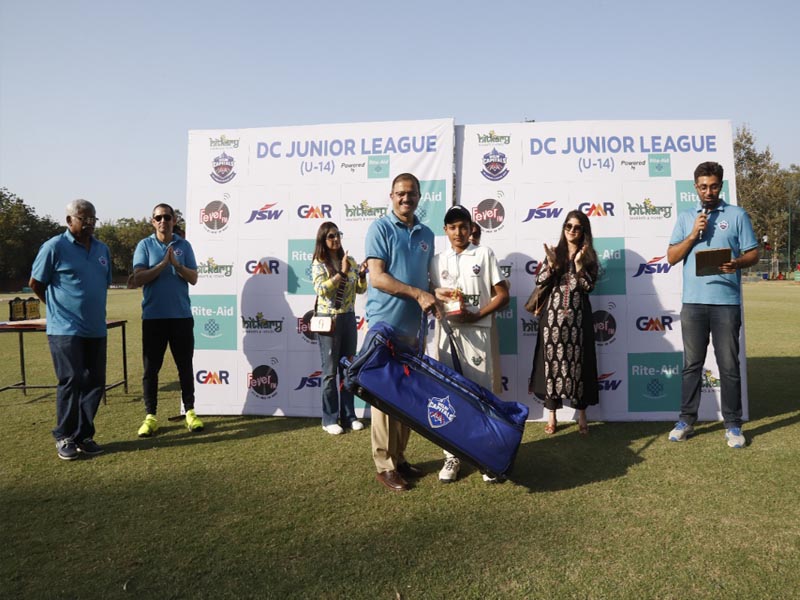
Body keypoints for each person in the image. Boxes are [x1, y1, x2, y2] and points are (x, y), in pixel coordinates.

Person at [667, 161, 759, 448]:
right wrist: (693, 235)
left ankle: (732, 424)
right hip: (693, 304)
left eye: (714, 186)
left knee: (729, 365)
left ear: (721, 186)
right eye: (703, 186)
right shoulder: (686, 218)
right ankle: (686, 420)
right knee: (691, 366)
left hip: (726, 304)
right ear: (695, 187)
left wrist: (737, 262)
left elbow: (753, 253)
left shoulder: (736, 215)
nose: (708, 191)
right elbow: (671, 257)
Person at [364, 173, 440, 492]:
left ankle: (400, 457)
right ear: (391, 196)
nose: (406, 198)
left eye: (411, 193)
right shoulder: (380, 228)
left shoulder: (427, 233)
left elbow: (427, 279)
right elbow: (377, 278)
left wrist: (439, 294)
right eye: (400, 193)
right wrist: (418, 294)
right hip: (384, 326)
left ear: (420, 197)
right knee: (384, 398)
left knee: (406, 398)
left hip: (415, 329)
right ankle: (385, 465)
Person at [429, 206, 509, 483]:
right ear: (445, 230)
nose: (458, 232)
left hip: (477, 333)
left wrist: (476, 315)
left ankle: (487, 455)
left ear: (470, 228)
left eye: (463, 226)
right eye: (452, 227)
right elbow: (430, 298)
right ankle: (451, 455)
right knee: (448, 396)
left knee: (481, 396)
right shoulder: (436, 260)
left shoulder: (483, 254)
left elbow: (503, 296)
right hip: (447, 335)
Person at [29, 199, 111, 460]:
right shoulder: (54, 247)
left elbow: (102, 283)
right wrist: (56, 308)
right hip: (65, 328)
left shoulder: (102, 249)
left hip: (97, 327)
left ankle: (83, 435)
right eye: (83, 218)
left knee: (95, 383)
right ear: (69, 220)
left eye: (92, 219)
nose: (89, 224)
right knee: (72, 379)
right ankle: (64, 436)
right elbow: (36, 282)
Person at [132, 203, 203, 437]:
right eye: (158, 217)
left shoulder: (184, 246)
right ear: (153, 221)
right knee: (151, 370)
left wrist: (177, 265)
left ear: (174, 220)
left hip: (181, 317)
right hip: (154, 318)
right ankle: (150, 416)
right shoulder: (144, 245)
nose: (163, 220)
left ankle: (190, 412)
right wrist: (163, 264)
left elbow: (193, 278)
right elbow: (138, 277)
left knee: (185, 367)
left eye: (167, 217)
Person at [529, 210, 599, 435]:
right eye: (568, 226)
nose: (571, 231)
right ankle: (552, 415)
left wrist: (578, 266)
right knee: (552, 365)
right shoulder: (555, 252)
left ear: (583, 231)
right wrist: (551, 265)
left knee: (579, 364)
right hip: (552, 320)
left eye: (577, 227)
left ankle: (581, 414)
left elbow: (588, 287)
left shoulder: (588, 256)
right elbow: (539, 280)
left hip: (578, 320)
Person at [311, 221, 368, 434]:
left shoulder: (349, 260)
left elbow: (360, 290)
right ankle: (329, 419)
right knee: (329, 372)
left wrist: (361, 274)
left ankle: (349, 415)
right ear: (323, 240)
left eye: (337, 235)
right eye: (331, 236)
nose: (335, 239)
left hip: (349, 318)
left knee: (348, 370)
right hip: (330, 320)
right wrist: (341, 274)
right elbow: (321, 290)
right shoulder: (319, 262)